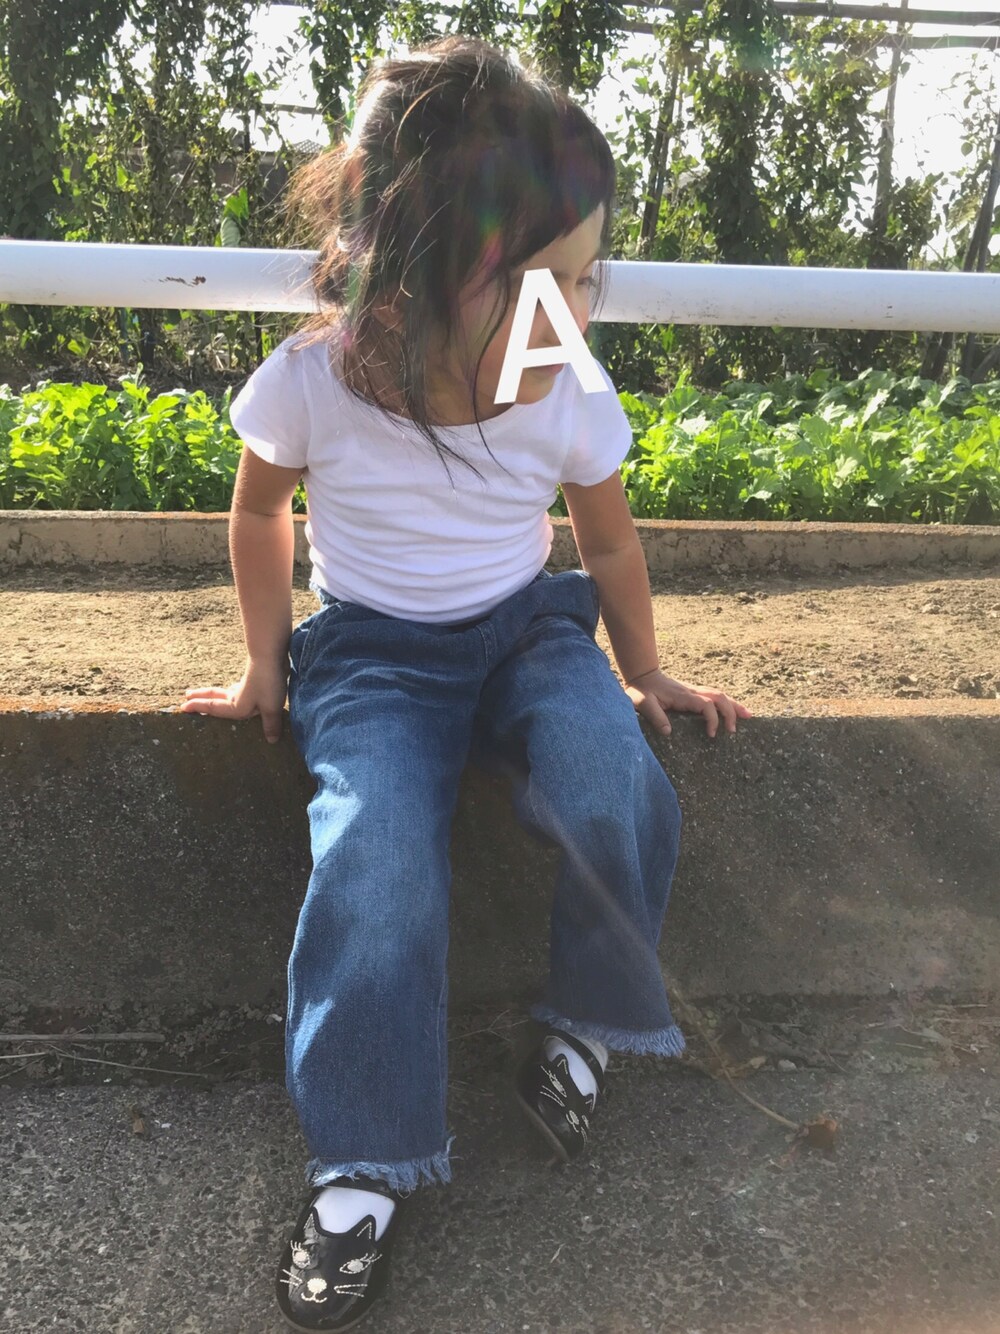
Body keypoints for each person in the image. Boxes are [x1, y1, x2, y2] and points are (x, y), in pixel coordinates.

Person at [179, 34, 750, 1332]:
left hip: (527, 633)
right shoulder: (316, 380)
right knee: (377, 864)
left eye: (590, 281)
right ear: (410, 280)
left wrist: (645, 669)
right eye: (546, 287)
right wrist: (264, 660)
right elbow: (261, 513)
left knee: (612, 779)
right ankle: (363, 1158)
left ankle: (585, 1024)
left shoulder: (566, 388)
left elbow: (607, 541)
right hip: (372, 656)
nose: (579, 315)